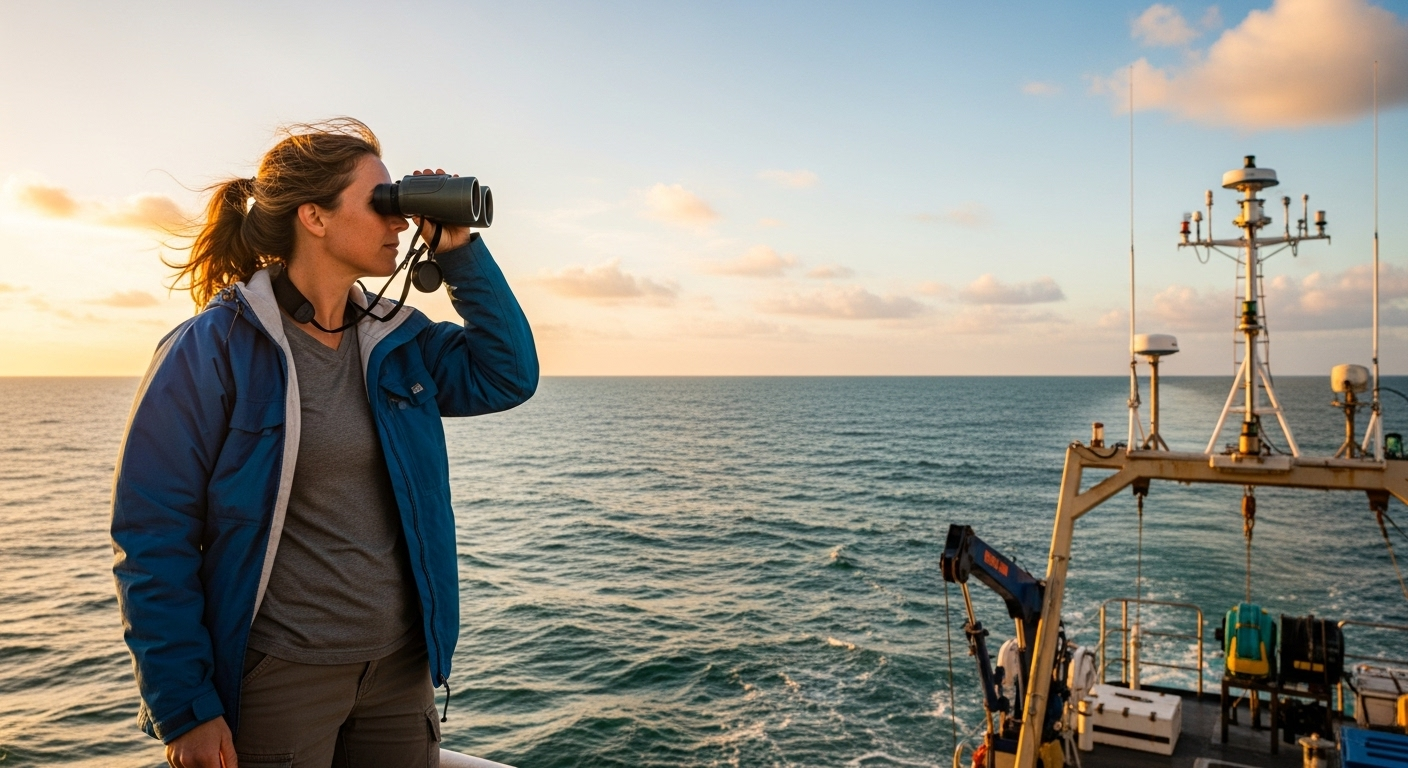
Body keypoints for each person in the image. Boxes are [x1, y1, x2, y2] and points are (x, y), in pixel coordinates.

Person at [110, 118, 538, 768]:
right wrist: (183, 706)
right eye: (382, 203)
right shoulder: (214, 349)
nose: (399, 222)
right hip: (281, 678)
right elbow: (152, 534)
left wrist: (457, 249)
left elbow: (508, 373)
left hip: (400, 670)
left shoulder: (399, 343)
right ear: (313, 216)